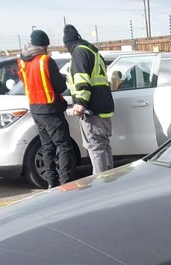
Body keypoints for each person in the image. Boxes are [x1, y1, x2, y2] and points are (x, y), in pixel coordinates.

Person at [17, 29, 75, 188]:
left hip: (35, 109)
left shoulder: (22, 61)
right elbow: (60, 87)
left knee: (47, 146)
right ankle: (66, 183)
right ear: (44, 45)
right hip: (51, 109)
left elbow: (28, 83)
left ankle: (52, 183)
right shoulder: (45, 60)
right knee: (63, 146)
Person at [63, 24, 115, 175]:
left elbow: (82, 80)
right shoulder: (93, 51)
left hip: (92, 109)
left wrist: (80, 103)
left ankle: (100, 183)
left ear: (68, 43)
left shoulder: (79, 53)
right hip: (104, 106)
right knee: (103, 145)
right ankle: (109, 179)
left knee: (95, 146)